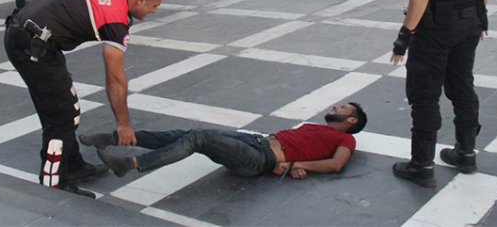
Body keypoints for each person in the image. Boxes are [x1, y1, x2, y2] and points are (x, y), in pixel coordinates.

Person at [3, 0, 167, 198]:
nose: (154, 11)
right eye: (155, 5)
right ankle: (53, 181)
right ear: (141, 1)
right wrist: (123, 123)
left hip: (35, 38)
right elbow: (115, 78)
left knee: (66, 111)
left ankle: (74, 165)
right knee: (61, 117)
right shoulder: (116, 21)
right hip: (31, 47)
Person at [390, 0, 490, 188]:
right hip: (469, 21)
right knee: (462, 87)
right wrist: (482, 15)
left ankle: (421, 165)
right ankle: (466, 153)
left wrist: (405, 35)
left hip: (437, 26)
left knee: (424, 95)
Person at [81, 103, 367, 180]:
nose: (336, 107)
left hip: (261, 160)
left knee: (198, 137)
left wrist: (295, 163)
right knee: (186, 134)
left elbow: (335, 165)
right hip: (257, 142)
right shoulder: (315, 126)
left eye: (343, 109)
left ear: (351, 121)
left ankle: (129, 164)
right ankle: (115, 138)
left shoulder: (346, 141)